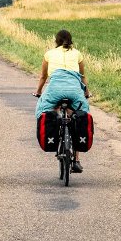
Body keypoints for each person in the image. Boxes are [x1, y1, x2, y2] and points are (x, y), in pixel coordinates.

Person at [33, 29, 90, 172]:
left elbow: (43, 77)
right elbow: (82, 76)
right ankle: (76, 160)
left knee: (43, 110)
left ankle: (55, 128)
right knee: (80, 114)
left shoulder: (49, 54)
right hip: (74, 90)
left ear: (56, 41)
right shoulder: (77, 54)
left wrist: (38, 92)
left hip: (54, 89)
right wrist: (87, 93)